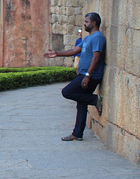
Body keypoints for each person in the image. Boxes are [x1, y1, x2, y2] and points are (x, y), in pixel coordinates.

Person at [44, 12, 106, 141]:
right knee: (82, 103)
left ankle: (95, 100)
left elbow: (96, 57)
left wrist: (88, 75)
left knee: (67, 91)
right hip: (85, 75)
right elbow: (74, 51)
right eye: (85, 21)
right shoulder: (87, 38)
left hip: (90, 76)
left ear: (94, 23)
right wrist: (57, 53)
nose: (84, 23)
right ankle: (77, 134)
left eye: (87, 21)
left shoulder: (98, 37)